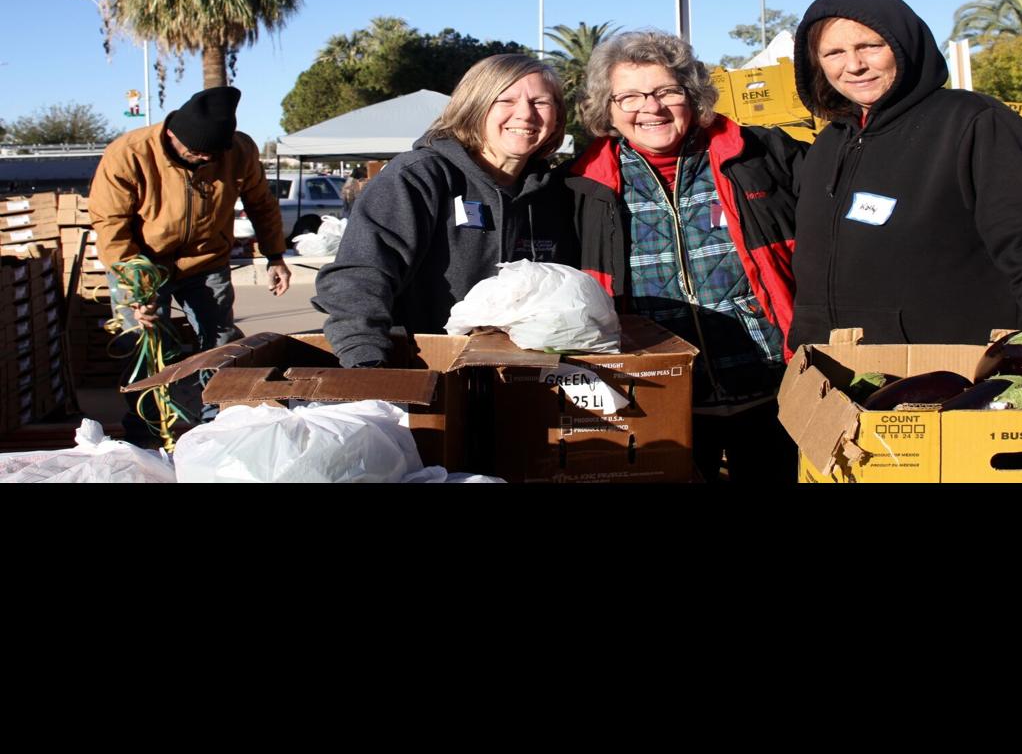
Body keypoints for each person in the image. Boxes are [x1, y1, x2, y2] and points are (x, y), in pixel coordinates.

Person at [787, 0, 1022, 351]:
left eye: (869, 46)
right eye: (834, 53)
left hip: (943, 378)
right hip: (833, 374)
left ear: (904, 45)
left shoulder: (975, 124)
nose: (854, 65)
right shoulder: (828, 145)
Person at [566, 30, 806, 483]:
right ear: (608, 109)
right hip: (659, 397)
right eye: (630, 96)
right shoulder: (580, 187)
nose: (651, 108)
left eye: (666, 92)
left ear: (692, 96)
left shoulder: (762, 155)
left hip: (774, 389)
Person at [316, 54, 580, 368]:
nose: (525, 114)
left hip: (522, 377)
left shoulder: (554, 192)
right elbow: (360, 277)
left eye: (540, 102)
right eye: (505, 100)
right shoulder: (417, 176)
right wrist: (367, 364)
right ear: (475, 106)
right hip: (424, 370)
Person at [87, 85, 292, 447]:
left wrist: (275, 256)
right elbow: (110, 225)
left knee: (220, 344)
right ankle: (145, 433)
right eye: (195, 153)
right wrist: (136, 291)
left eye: (210, 155)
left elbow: (261, 203)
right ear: (171, 135)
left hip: (206, 261)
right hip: (142, 264)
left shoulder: (239, 151)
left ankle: (216, 428)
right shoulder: (129, 153)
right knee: (144, 348)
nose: (202, 160)